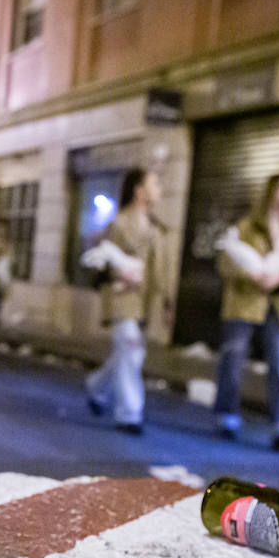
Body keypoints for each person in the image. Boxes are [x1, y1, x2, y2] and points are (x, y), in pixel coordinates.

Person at [212, 172, 279, 452]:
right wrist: (252, 275)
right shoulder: (247, 226)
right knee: (233, 358)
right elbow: (226, 264)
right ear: (271, 192)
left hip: (278, 305)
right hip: (245, 302)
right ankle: (227, 415)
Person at [80, 168, 171, 435]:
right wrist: (117, 270)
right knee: (130, 349)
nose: (160, 189)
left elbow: (161, 271)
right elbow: (102, 262)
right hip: (122, 297)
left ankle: (96, 386)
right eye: (155, 182)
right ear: (139, 190)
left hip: (145, 300)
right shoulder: (118, 223)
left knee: (130, 354)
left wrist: (167, 303)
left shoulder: (158, 228)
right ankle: (130, 414)